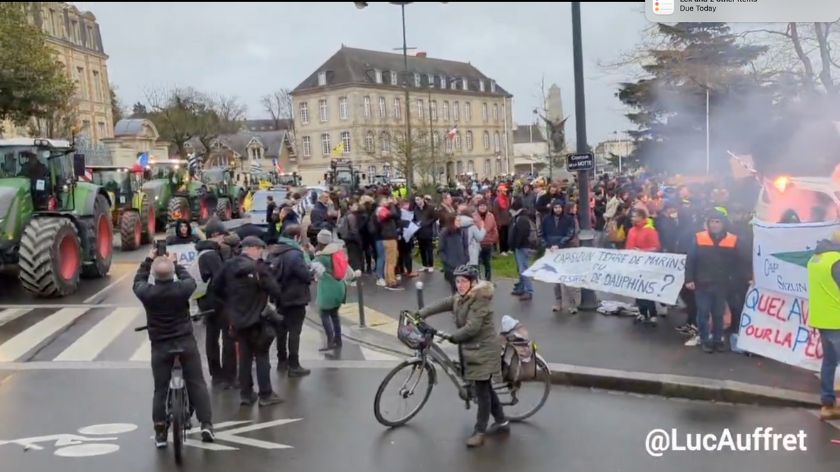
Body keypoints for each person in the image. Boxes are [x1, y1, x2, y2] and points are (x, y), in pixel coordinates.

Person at [417, 265, 508, 448]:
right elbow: (444, 303)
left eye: (464, 281)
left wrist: (451, 337)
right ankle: (502, 420)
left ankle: (479, 431)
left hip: (483, 350)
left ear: (473, 282)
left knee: (482, 391)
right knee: (485, 387)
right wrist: (420, 313)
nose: (459, 285)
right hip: (470, 347)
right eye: (457, 281)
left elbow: (472, 327)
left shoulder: (480, 299)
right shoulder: (462, 297)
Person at [133, 248, 214, 447]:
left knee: (160, 389)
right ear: (172, 274)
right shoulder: (182, 289)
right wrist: (176, 263)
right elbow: (190, 280)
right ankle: (206, 424)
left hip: (160, 346)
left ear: (154, 275)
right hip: (185, 343)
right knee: (197, 383)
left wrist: (148, 260)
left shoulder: (147, 293)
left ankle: (161, 432)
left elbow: (137, 282)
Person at [214, 236, 285, 406]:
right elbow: (275, 290)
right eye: (260, 249)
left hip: (237, 320)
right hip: (258, 319)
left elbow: (216, 287)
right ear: (252, 248)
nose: (261, 253)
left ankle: (246, 394)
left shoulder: (228, 266)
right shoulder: (259, 268)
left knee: (244, 357)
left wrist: (230, 305)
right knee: (261, 356)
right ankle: (266, 394)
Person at [685, 209, 745, 353]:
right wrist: (689, 278)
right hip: (702, 282)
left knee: (719, 314)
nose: (714, 225)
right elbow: (691, 259)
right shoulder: (699, 237)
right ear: (708, 223)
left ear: (723, 224)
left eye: (717, 222)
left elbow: (738, 262)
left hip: (721, 283)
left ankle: (718, 340)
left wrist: (735, 279)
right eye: (712, 222)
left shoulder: (732, 239)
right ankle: (705, 340)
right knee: (703, 313)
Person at [267, 225, 314, 377]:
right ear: (296, 237)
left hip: (279, 296)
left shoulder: (274, 252)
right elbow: (304, 275)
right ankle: (294, 365)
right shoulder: (294, 254)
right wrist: (311, 273)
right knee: (294, 331)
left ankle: (282, 361)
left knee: (281, 330)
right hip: (296, 297)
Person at [195, 218, 236, 389]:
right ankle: (226, 376)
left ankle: (216, 374)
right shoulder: (211, 254)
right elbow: (220, 278)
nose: (223, 239)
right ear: (215, 235)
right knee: (227, 339)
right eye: (221, 236)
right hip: (218, 303)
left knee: (212, 338)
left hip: (207, 303)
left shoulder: (204, 251)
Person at [807, 230, 840, 420]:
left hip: (822, 318)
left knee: (829, 361)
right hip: (837, 319)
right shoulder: (836, 261)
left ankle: (827, 403)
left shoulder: (816, 258)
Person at [313, 229, 355, 350]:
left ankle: (330, 341)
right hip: (340, 287)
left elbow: (310, 267)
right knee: (334, 314)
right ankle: (338, 340)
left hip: (328, 289)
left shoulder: (321, 257)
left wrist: (307, 253)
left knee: (324, 314)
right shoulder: (338, 251)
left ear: (321, 241)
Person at [542, 200, 580, 313]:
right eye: (555, 207)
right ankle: (558, 302)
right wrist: (548, 245)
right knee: (556, 279)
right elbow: (543, 234)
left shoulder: (568, 219)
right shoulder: (547, 219)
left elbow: (570, 233)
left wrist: (559, 244)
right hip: (552, 250)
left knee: (567, 278)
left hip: (565, 249)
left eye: (559, 207)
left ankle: (572, 304)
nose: (557, 209)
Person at [625, 208, 661, 325]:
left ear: (642, 218)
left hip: (646, 265)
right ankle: (642, 312)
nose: (632, 218)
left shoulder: (650, 231)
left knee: (646, 290)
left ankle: (653, 313)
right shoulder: (631, 230)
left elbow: (656, 247)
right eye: (632, 216)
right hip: (634, 264)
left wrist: (642, 251)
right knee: (637, 289)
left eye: (635, 216)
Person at [509, 198, 534, 301]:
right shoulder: (521, 217)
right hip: (522, 247)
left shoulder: (522, 219)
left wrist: (516, 245)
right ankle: (522, 288)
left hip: (523, 247)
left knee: (524, 269)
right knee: (521, 269)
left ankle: (529, 291)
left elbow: (522, 234)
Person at [438, 213, 469, 293]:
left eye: (460, 220)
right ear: (452, 221)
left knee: (463, 289)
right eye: (458, 220)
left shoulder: (462, 232)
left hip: (462, 265)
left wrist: (466, 258)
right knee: (455, 288)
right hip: (450, 267)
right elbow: (441, 250)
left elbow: (466, 246)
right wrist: (447, 262)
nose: (460, 222)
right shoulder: (444, 233)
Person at [376, 196, 402, 290]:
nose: (387, 201)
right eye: (385, 200)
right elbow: (393, 214)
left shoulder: (384, 210)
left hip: (390, 237)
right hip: (389, 237)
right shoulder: (381, 210)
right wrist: (392, 204)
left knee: (391, 258)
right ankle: (391, 281)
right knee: (391, 260)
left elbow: (397, 216)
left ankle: (389, 279)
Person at [475, 201, 498, 281]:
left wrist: (493, 239)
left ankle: (488, 280)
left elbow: (494, 229)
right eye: (480, 206)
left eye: (484, 206)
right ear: (477, 207)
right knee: (477, 263)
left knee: (487, 263)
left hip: (488, 243)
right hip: (477, 243)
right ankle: (478, 280)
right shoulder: (473, 216)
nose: (482, 207)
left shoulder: (491, 216)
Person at [457, 205, 486, 269]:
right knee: (471, 273)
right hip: (471, 254)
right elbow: (479, 237)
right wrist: (482, 228)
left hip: (459, 253)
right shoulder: (472, 225)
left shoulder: (456, 224)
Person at [414, 195, 436, 273]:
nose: (417, 201)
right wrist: (416, 223)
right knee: (422, 249)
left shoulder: (430, 208)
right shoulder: (416, 209)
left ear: (423, 199)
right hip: (419, 232)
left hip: (427, 231)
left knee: (429, 249)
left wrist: (427, 223)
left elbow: (434, 218)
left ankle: (431, 265)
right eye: (416, 200)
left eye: (418, 199)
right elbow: (414, 219)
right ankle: (424, 265)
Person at [493, 185, 512, 256]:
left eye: (505, 191)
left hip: (507, 220)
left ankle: (507, 249)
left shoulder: (507, 199)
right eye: (503, 191)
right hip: (501, 221)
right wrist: (498, 222)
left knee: (507, 235)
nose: (505, 192)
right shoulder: (496, 200)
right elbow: (496, 212)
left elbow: (508, 209)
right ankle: (502, 250)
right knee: (502, 236)